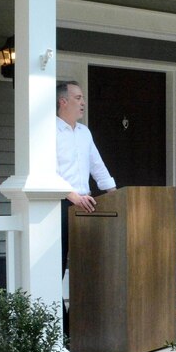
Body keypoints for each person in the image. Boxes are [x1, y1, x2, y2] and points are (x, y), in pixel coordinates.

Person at [56, 81, 116, 318]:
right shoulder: (48, 131)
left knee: (86, 266)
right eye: (78, 98)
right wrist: (72, 196)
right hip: (61, 204)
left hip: (86, 205)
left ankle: (79, 323)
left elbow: (97, 166)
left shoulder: (84, 132)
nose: (83, 103)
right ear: (63, 101)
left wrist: (115, 193)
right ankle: (58, 327)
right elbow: (47, 172)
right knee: (58, 266)